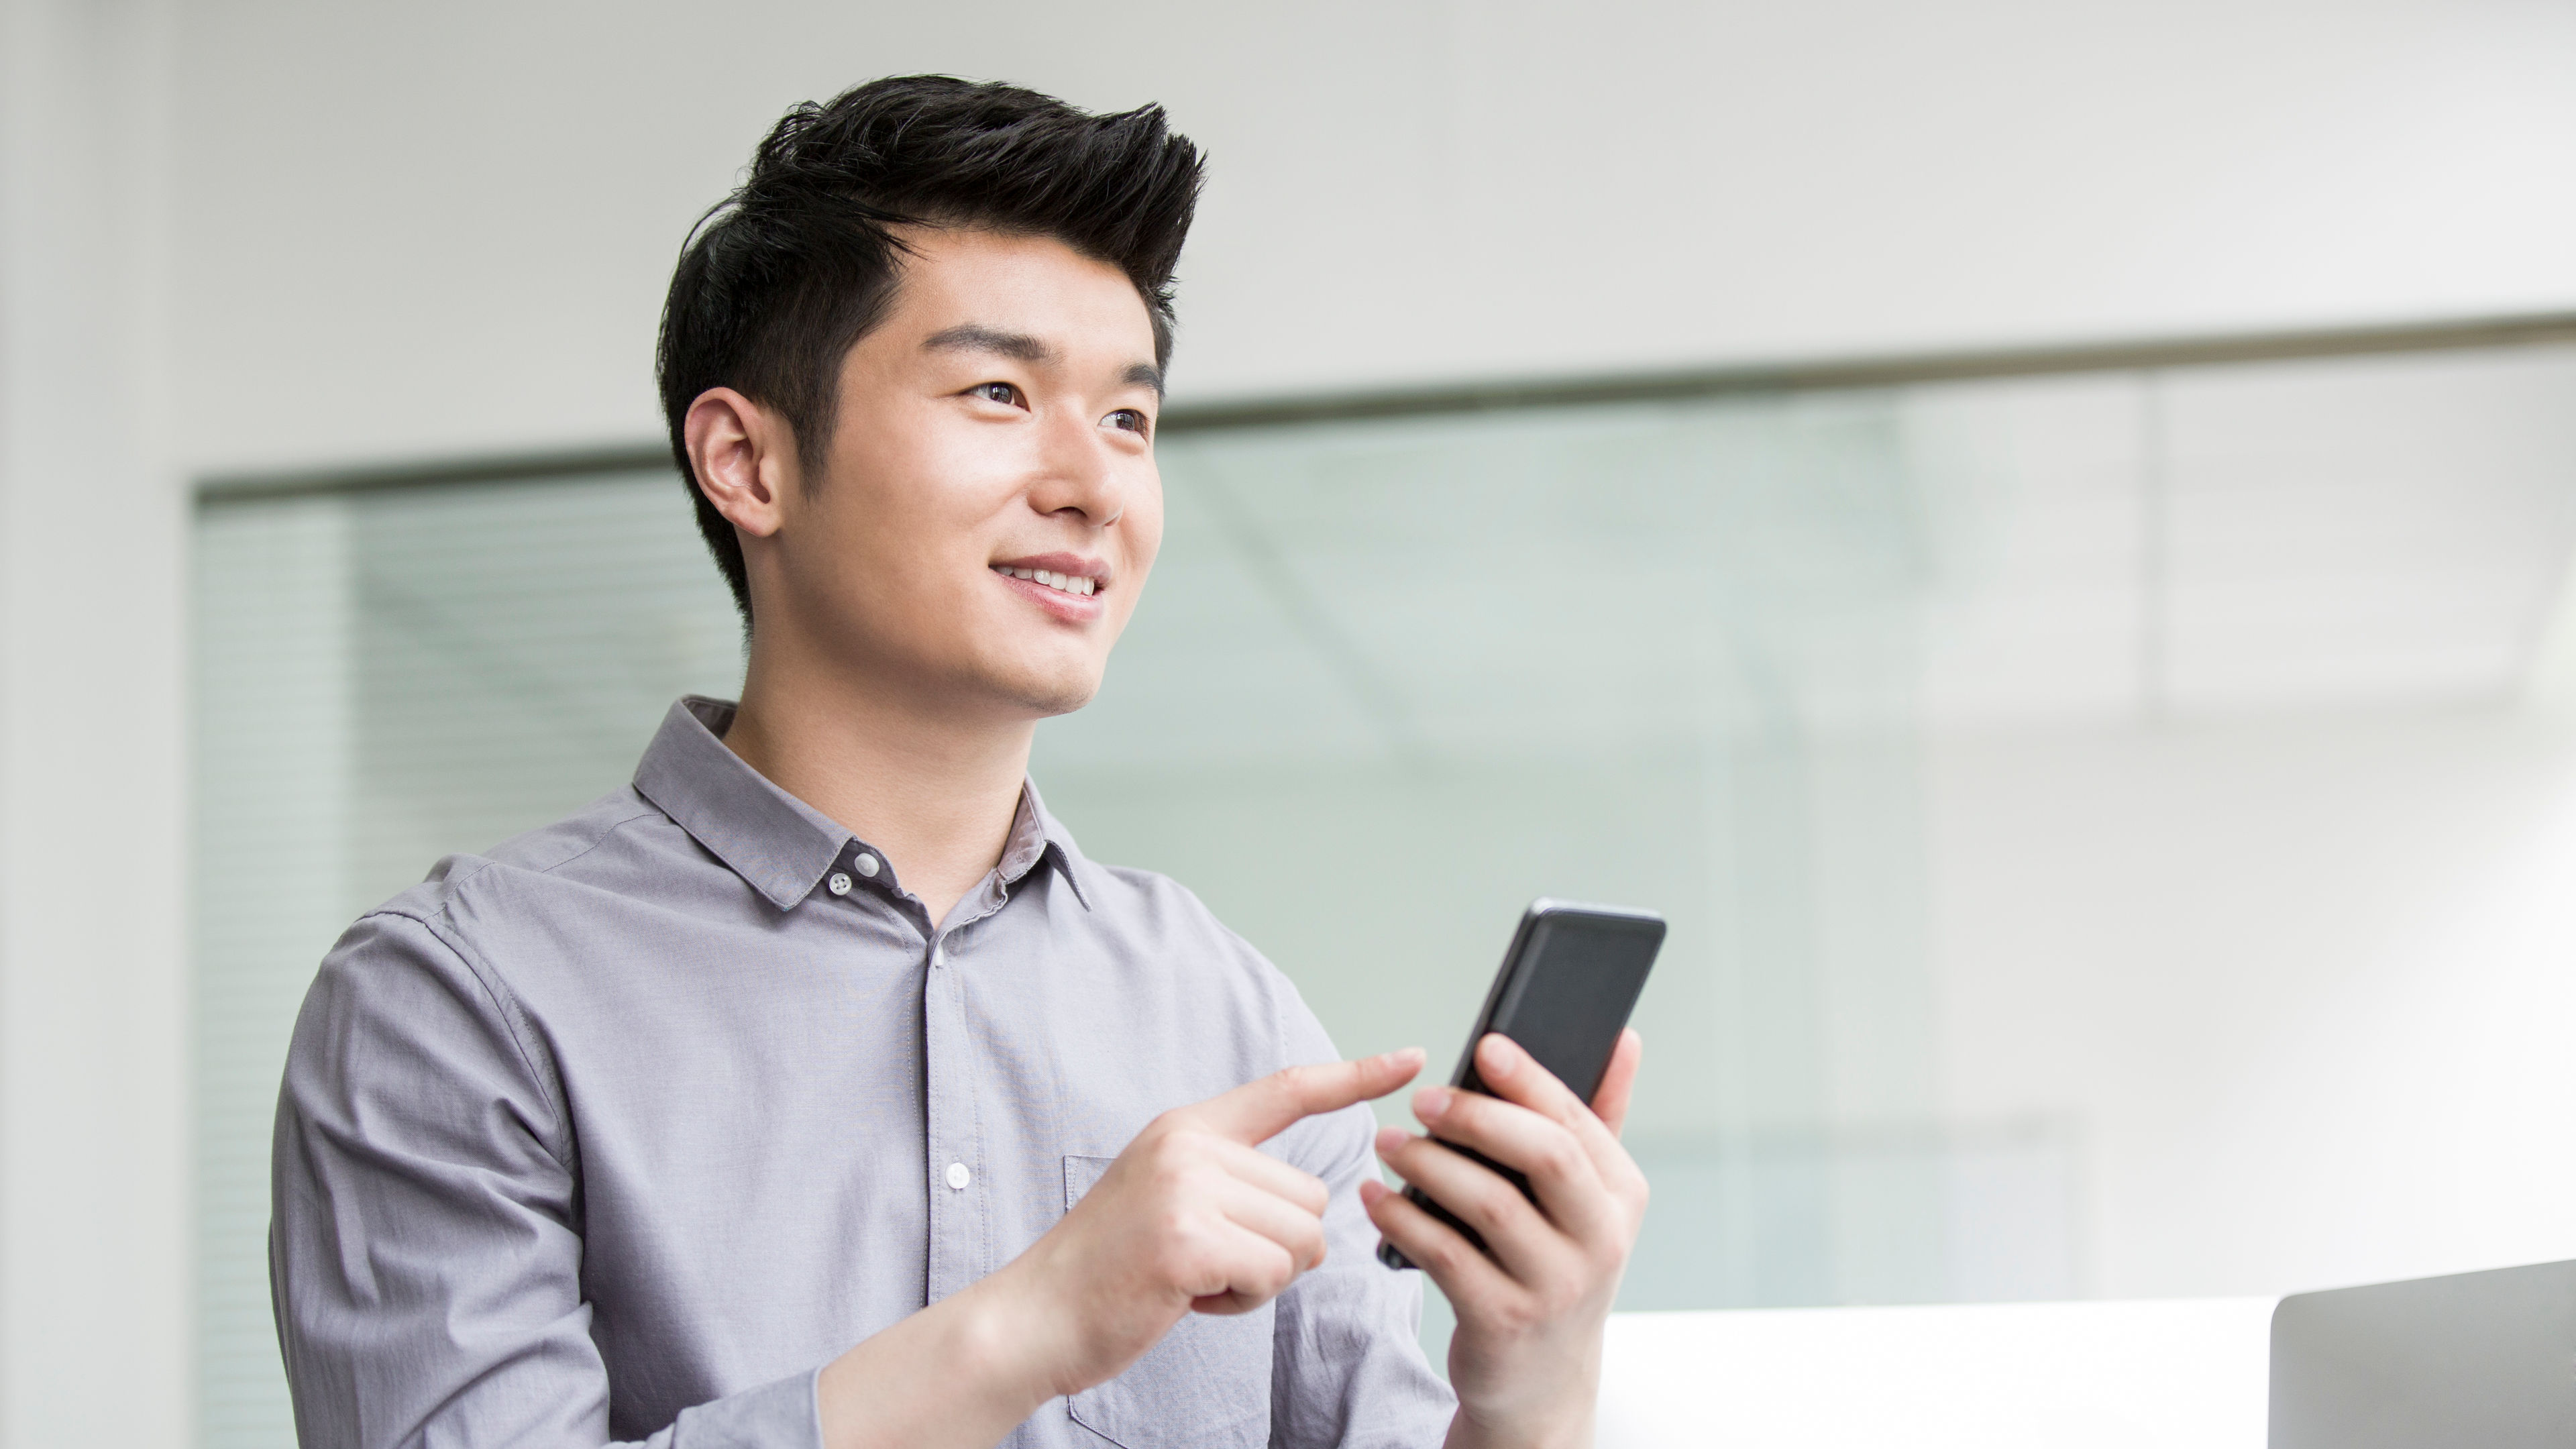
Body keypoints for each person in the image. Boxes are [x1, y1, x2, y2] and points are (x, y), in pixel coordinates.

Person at [270, 76, 1648, 1449]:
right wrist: (1027, 1328)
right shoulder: (456, 1002)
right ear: (746, 463)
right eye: (999, 391)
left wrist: (1532, 1382)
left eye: (1128, 419)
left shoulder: (1232, 1021)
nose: (1095, 484)